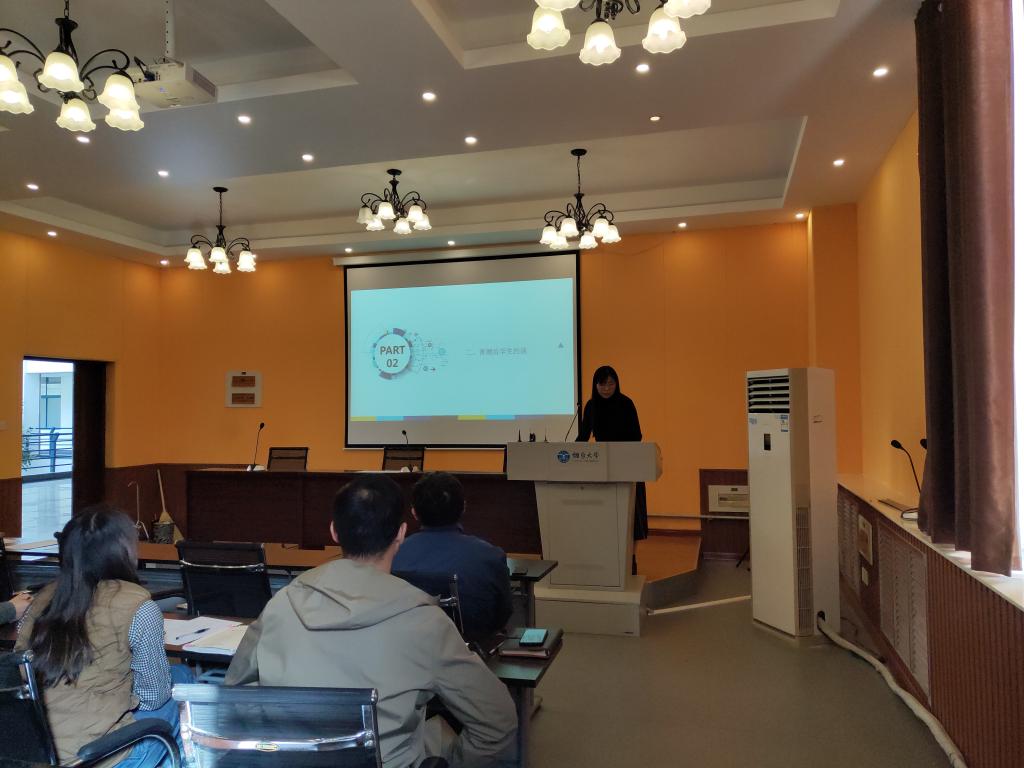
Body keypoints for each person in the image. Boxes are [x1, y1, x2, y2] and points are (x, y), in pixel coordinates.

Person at [225, 474, 517, 768]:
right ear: (401, 533)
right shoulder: (426, 621)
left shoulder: (282, 603)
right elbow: (498, 721)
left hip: (292, 762)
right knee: (439, 733)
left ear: (334, 531)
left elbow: (234, 696)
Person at [16, 506, 188, 768]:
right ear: (123, 550)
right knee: (184, 689)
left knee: (180, 675)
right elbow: (153, 697)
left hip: (34, 752)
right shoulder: (138, 606)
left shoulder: (41, 599)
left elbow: (19, 671)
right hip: (96, 756)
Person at [393, 472, 514, 642]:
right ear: (463, 507)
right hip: (472, 652)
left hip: (406, 650)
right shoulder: (490, 556)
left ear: (414, 512)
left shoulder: (392, 556)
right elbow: (502, 615)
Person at [576, 365, 649, 566]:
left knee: (632, 516)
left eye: (610, 383)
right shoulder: (591, 406)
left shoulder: (626, 403)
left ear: (617, 384)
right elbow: (583, 436)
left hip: (628, 465)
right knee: (606, 516)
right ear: (595, 385)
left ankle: (631, 559)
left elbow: (637, 436)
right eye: (602, 384)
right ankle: (607, 556)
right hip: (602, 468)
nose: (607, 388)